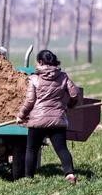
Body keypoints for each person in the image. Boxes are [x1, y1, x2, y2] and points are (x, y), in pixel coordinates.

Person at [16, 49, 81, 184]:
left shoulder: (34, 79)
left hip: (38, 120)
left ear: (40, 62)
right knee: (62, 148)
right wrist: (70, 105)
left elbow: (29, 101)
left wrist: (21, 115)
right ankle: (69, 174)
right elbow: (75, 94)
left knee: (32, 149)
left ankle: (29, 178)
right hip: (57, 120)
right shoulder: (63, 77)